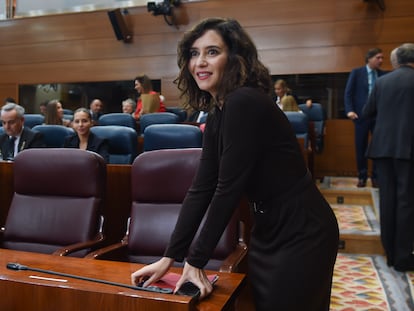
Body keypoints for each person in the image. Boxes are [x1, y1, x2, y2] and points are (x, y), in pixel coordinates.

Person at [130, 17, 339, 311]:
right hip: (268, 229)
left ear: (234, 58)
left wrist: (196, 261)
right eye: (194, 53)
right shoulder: (219, 113)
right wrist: (169, 258)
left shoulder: (244, 102)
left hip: (302, 230)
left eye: (212, 52)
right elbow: (201, 188)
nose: (200, 62)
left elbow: (227, 190)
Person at [362, 43, 414, 272]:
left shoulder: (382, 82)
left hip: (382, 148)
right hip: (408, 149)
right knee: (406, 202)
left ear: (396, 61)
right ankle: (403, 257)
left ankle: (390, 253)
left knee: (388, 200)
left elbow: (367, 112)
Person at [344, 47, 386, 188]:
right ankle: (362, 176)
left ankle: (375, 176)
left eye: (382, 58)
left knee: (377, 148)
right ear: (369, 58)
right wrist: (349, 110)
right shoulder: (357, 73)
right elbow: (348, 93)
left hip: (379, 117)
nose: (381, 61)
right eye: (378, 58)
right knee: (360, 147)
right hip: (361, 117)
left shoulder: (383, 75)